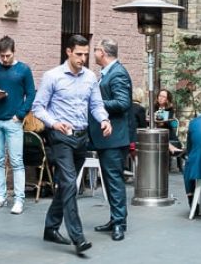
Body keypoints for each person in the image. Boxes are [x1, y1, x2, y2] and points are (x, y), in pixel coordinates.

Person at [33, 34, 112, 256]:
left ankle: (50, 227)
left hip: (81, 137)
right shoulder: (52, 77)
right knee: (69, 184)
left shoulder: (89, 77)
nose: (83, 58)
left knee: (66, 185)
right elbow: (38, 107)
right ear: (68, 52)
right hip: (60, 137)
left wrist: (104, 119)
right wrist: (54, 123)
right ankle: (78, 238)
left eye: (86, 54)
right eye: (79, 54)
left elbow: (96, 104)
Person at [0, 36, 36, 214]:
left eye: (8, 56)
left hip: (13, 120)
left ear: (14, 52)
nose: (5, 59)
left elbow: (31, 94)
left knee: (16, 161)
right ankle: (0, 195)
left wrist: (20, 114)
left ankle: (19, 199)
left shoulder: (23, 70)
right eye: (2, 56)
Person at [90, 39, 132, 241]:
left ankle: (119, 224)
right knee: (109, 181)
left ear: (104, 53)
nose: (93, 53)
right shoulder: (108, 73)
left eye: (96, 49)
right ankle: (115, 218)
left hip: (114, 139)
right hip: (107, 139)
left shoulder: (118, 73)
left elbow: (123, 103)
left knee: (114, 181)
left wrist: (96, 103)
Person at [154, 89, 184, 153]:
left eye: (163, 97)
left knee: (177, 143)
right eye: (160, 96)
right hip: (155, 132)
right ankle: (171, 147)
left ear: (167, 99)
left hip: (167, 132)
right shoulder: (153, 108)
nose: (161, 98)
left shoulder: (170, 109)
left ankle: (178, 153)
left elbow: (167, 122)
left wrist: (159, 119)